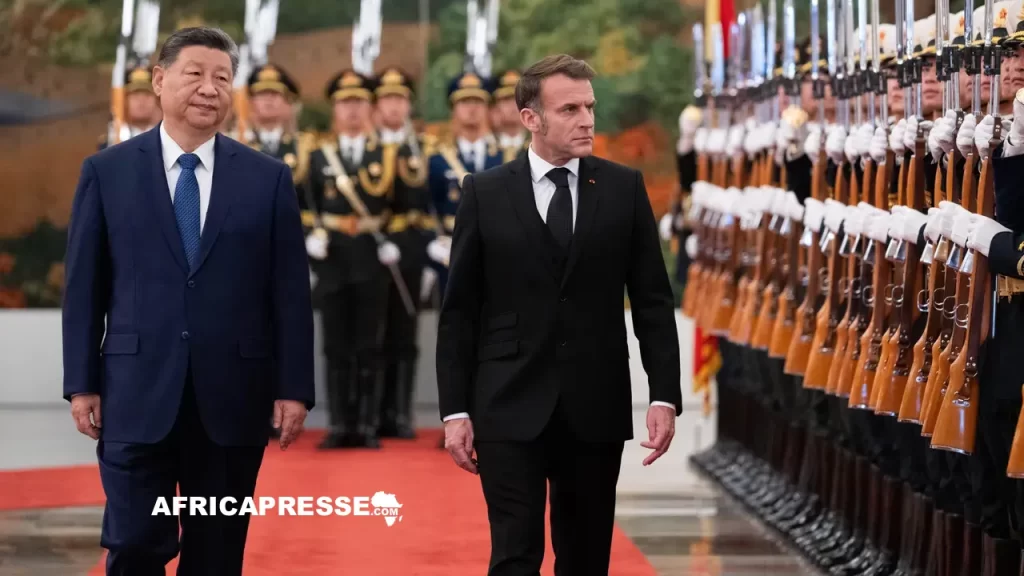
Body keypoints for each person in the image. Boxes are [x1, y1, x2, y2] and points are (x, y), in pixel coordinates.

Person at [62, 27, 315, 575]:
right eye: (195, 74)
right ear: (159, 80)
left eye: (222, 77)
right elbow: (84, 288)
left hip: (232, 398)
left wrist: (294, 388)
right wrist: (81, 382)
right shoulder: (107, 172)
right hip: (134, 393)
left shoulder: (268, 179)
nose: (209, 88)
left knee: (216, 553)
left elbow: (290, 294)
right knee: (134, 542)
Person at [435, 54, 682, 575]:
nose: (587, 120)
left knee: (585, 559)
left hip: (594, 406)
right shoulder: (485, 192)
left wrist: (664, 395)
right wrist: (455, 410)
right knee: (513, 557)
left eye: (589, 107)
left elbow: (653, 302)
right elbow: (459, 313)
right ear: (531, 117)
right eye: (570, 109)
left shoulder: (623, 189)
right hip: (506, 402)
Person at [305, 68, 402, 449]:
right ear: (334, 109)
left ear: (370, 108)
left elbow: (403, 209)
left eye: (359, 102)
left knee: (369, 343)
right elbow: (303, 207)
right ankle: (338, 423)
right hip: (332, 259)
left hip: (370, 258)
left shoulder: (387, 156)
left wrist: (392, 241)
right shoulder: (316, 157)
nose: (352, 110)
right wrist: (310, 236)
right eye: (345, 103)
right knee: (335, 345)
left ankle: (366, 423)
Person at [98, 65, 161, 150]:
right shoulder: (110, 143)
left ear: (157, 100)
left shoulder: (167, 141)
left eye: (147, 94)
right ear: (123, 101)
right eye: (135, 95)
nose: (141, 100)